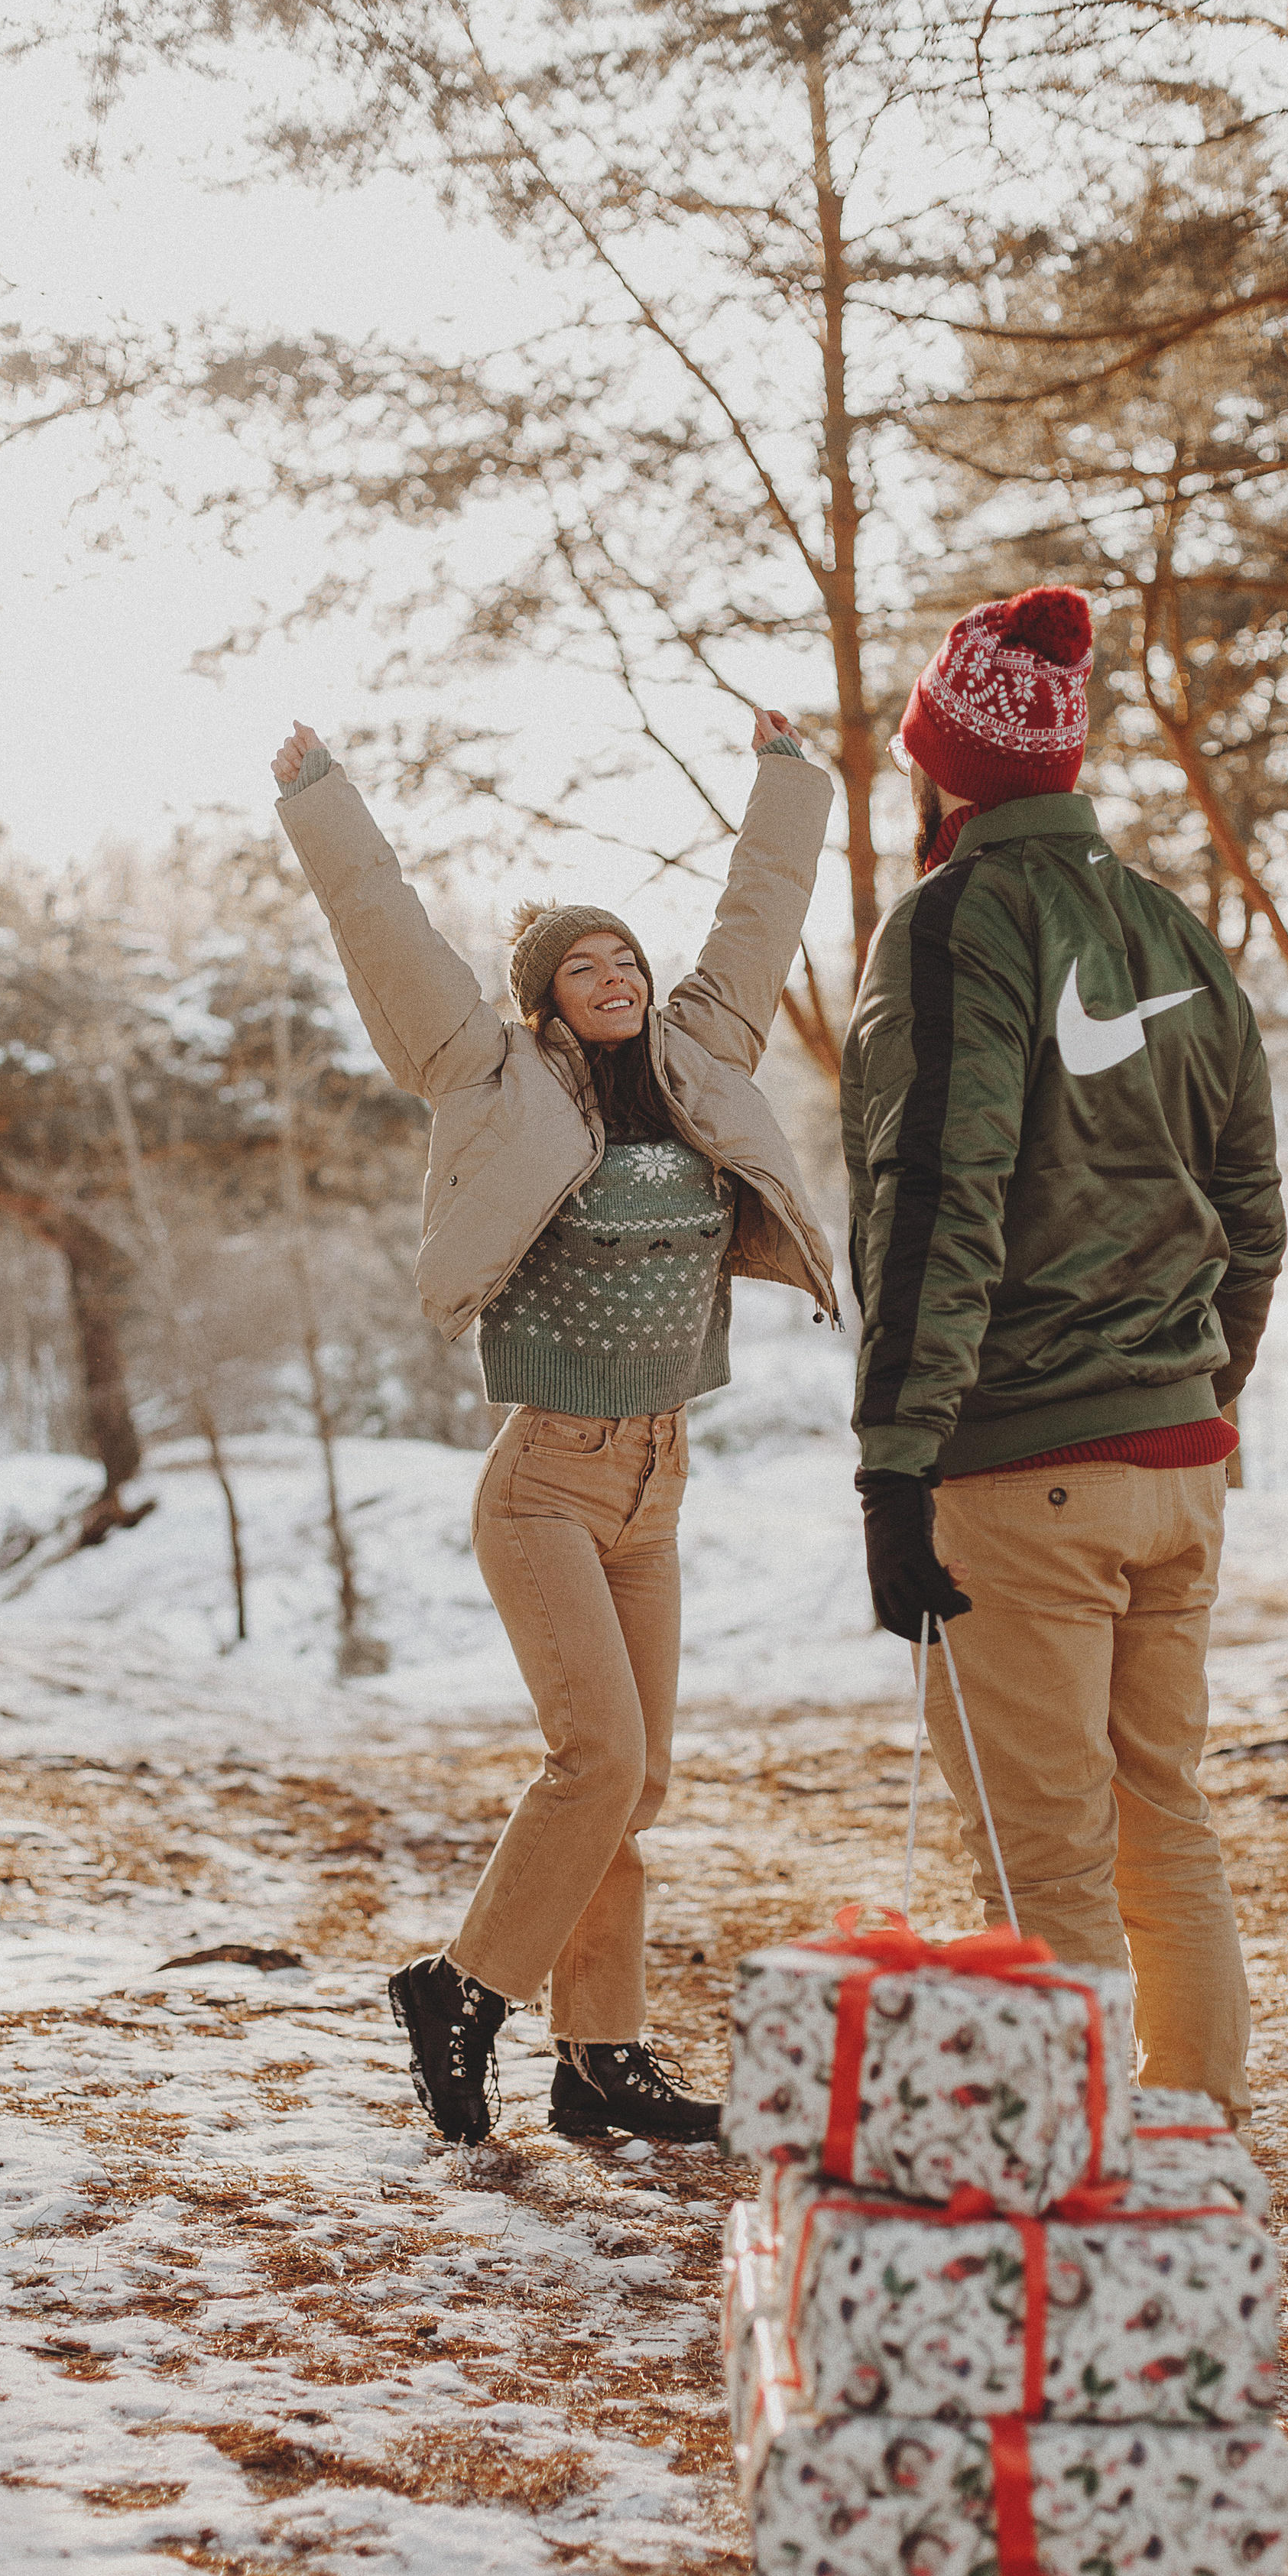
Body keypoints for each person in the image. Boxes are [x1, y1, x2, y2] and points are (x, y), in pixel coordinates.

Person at [271, 708, 836, 2146]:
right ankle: (461, 1989)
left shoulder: (706, 1057)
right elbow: (390, 937)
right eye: (584, 967)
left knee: (634, 1782)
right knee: (594, 1761)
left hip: (659, 1478)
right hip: (546, 1483)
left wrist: (788, 780)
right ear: (543, 1003)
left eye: (627, 959)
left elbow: (758, 915)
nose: (618, 976)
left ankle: (600, 2062)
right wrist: (324, 800)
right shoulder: (492, 1080)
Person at [839, 586, 1286, 2123]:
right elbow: (1252, 1210)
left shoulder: (957, 921)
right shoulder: (1169, 925)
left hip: (1017, 1467)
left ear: (941, 760)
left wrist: (893, 1465)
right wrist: (1188, 1395)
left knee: (1045, 1863)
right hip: (1173, 1467)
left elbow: (931, 1206)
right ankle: (1193, 2166)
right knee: (1162, 1820)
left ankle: (1083, 2203)